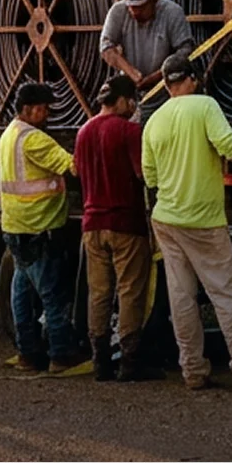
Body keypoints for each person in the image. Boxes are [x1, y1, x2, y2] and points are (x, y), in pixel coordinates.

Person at [141, 52, 232, 393]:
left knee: (181, 297)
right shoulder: (205, 106)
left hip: (166, 219)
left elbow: (149, 175)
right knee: (225, 293)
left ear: (166, 84)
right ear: (192, 79)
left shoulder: (154, 120)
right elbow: (227, 145)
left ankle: (192, 370)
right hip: (202, 220)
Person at [0, 82, 89, 376]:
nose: (48, 113)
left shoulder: (8, 134)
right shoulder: (34, 140)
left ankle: (27, 353)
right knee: (52, 293)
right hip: (39, 226)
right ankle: (61, 355)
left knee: (22, 293)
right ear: (28, 109)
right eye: (44, 108)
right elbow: (74, 166)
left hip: (15, 226)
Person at [73, 78, 160, 382]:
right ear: (121, 101)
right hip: (126, 225)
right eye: (132, 100)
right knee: (129, 292)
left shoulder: (83, 132)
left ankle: (100, 363)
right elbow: (143, 174)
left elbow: (78, 170)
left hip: (92, 225)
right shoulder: (129, 131)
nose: (134, 106)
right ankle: (130, 362)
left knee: (98, 293)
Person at [100, 0, 194, 93]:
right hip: (131, 92)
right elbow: (106, 46)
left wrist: (158, 76)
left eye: (142, 7)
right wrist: (131, 73)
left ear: (154, 0)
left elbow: (186, 51)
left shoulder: (172, 12)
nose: (135, 12)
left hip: (165, 90)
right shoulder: (118, 11)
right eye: (131, 7)